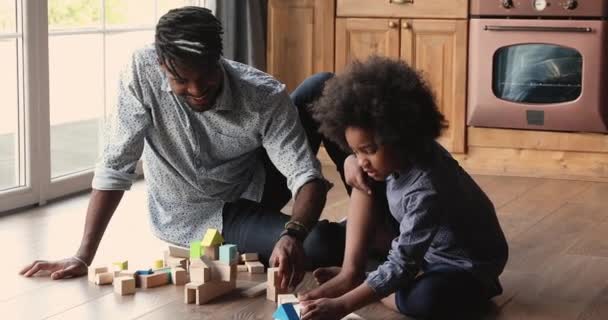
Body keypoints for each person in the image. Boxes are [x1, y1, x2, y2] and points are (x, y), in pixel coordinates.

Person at [19, 6, 348, 290]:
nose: (196, 90)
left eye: (205, 77)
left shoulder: (261, 95)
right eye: (182, 81)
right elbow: (115, 165)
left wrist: (293, 232)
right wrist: (82, 256)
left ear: (218, 59)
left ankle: (385, 212)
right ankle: (367, 237)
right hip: (202, 216)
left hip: (254, 181)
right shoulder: (141, 73)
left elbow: (306, 176)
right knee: (321, 243)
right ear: (162, 65)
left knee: (324, 87)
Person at [299, 56, 509, 319]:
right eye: (355, 150)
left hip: (464, 265)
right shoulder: (391, 158)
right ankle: (351, 273)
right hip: (423, 247)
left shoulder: (428, 186)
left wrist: (343, 305)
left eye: (368, 150)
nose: (362, 159)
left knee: (423, 300)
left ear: (400, 135)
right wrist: (353, 159)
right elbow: (365, 164)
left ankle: (367, 280)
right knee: (325, 233)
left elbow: (403, 264)